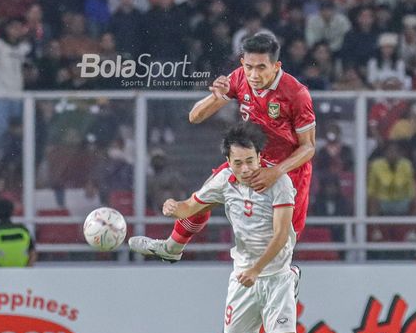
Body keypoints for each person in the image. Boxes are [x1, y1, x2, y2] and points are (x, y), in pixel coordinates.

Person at [129, 33, 316, 262]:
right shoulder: (238, 78)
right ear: (242, 63)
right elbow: (194, 117)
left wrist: (276, 171)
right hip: (250, 160)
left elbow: (308, 147)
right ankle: (172, 247)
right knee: (204, 197)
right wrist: (214, 98)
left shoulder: (296, 93)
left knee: (283, 244)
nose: (254, 74)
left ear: (276, 66)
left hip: (287, 170)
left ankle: (288, 274)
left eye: (261, 67)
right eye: (249, 67)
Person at [159, 123, 303, 333]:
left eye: (250, 161)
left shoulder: (279, 183)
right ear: (228, 161)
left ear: (260, 156)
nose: (246, 168)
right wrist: (173, 207)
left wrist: (256, 269)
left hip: (276, 279)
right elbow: (190, 206)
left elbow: (282, 234)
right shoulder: (225, 179)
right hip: (242, 281)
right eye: (238, 163)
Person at [0, 198, 36, 267]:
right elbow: (32, 252)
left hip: (1, 273)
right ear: (12, 211)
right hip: (22, 271)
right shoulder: (23, 230)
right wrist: (28, 268)